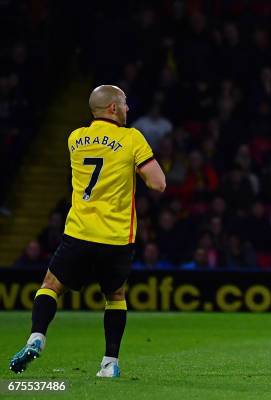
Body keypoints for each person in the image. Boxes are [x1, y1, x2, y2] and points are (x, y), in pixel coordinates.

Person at [9, 85, 166, 378]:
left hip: (79, 233)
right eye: (125, 104)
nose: (129, 109)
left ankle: (36, 338)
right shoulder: (132, 138)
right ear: (113, 108)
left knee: (51, 285)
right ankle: (109, 364)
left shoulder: (75, 138)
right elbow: (158, 183)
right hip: (117, 237)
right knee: (115, 296)